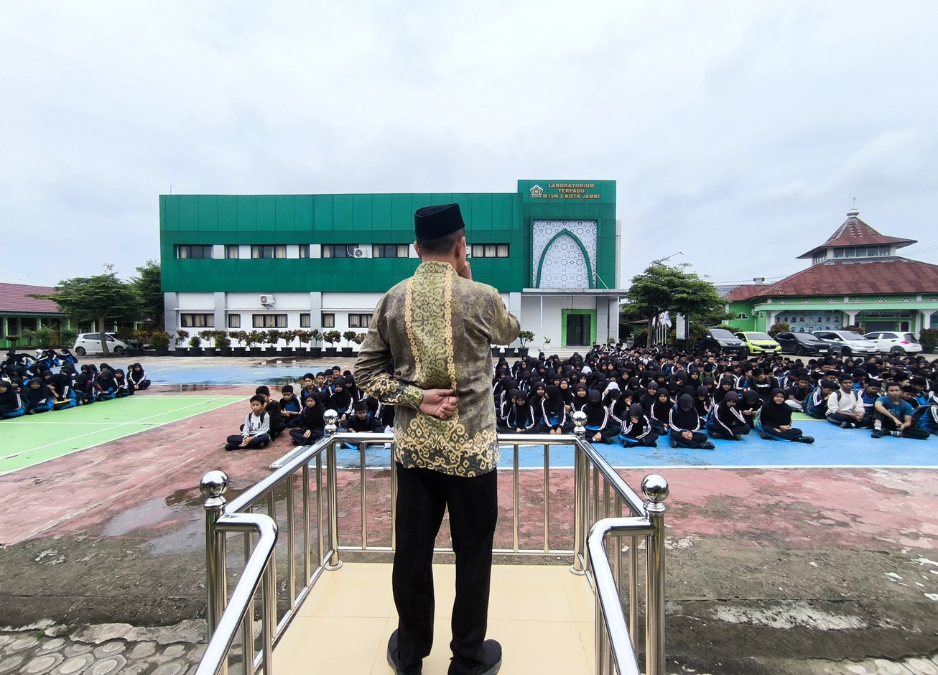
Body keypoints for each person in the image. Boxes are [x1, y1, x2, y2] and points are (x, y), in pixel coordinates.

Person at [354, 203, 519, 675]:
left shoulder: (392, 299)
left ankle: (410, 655)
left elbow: (366, 372)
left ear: (415, 248)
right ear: (460, 244)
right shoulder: (481, 297)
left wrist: (415, 397)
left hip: (416, 453)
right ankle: (467, 658)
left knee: (411, 551)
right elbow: (510, 332)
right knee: (473, 556)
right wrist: (468, 276)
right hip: (472, 455)